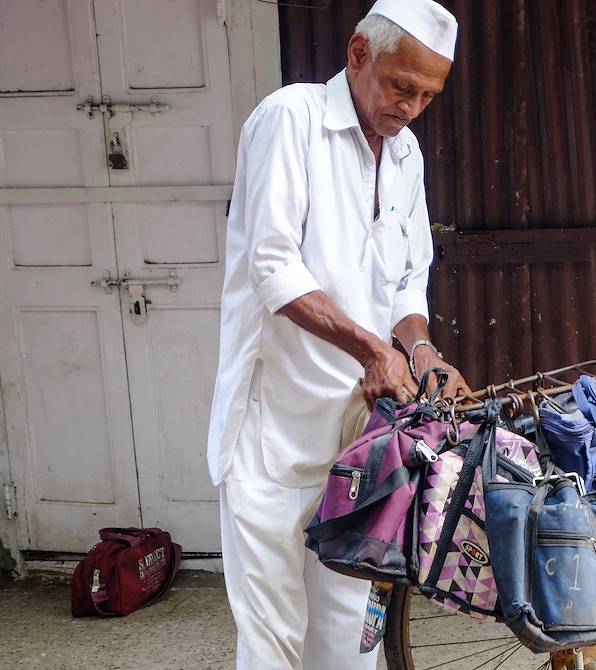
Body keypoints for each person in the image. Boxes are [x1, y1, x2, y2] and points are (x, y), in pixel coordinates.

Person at [204, 1, 470, 666]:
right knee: (272, 643)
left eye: (428, 94)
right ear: (358, 54)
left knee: (353, 643)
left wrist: (421, 351)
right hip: (272, 438)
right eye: (401, 85)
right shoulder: (289, 120)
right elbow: (273, 267)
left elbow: (406, 279)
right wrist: (373, 349)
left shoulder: (404, 155)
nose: (412, 106)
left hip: (359, 444)